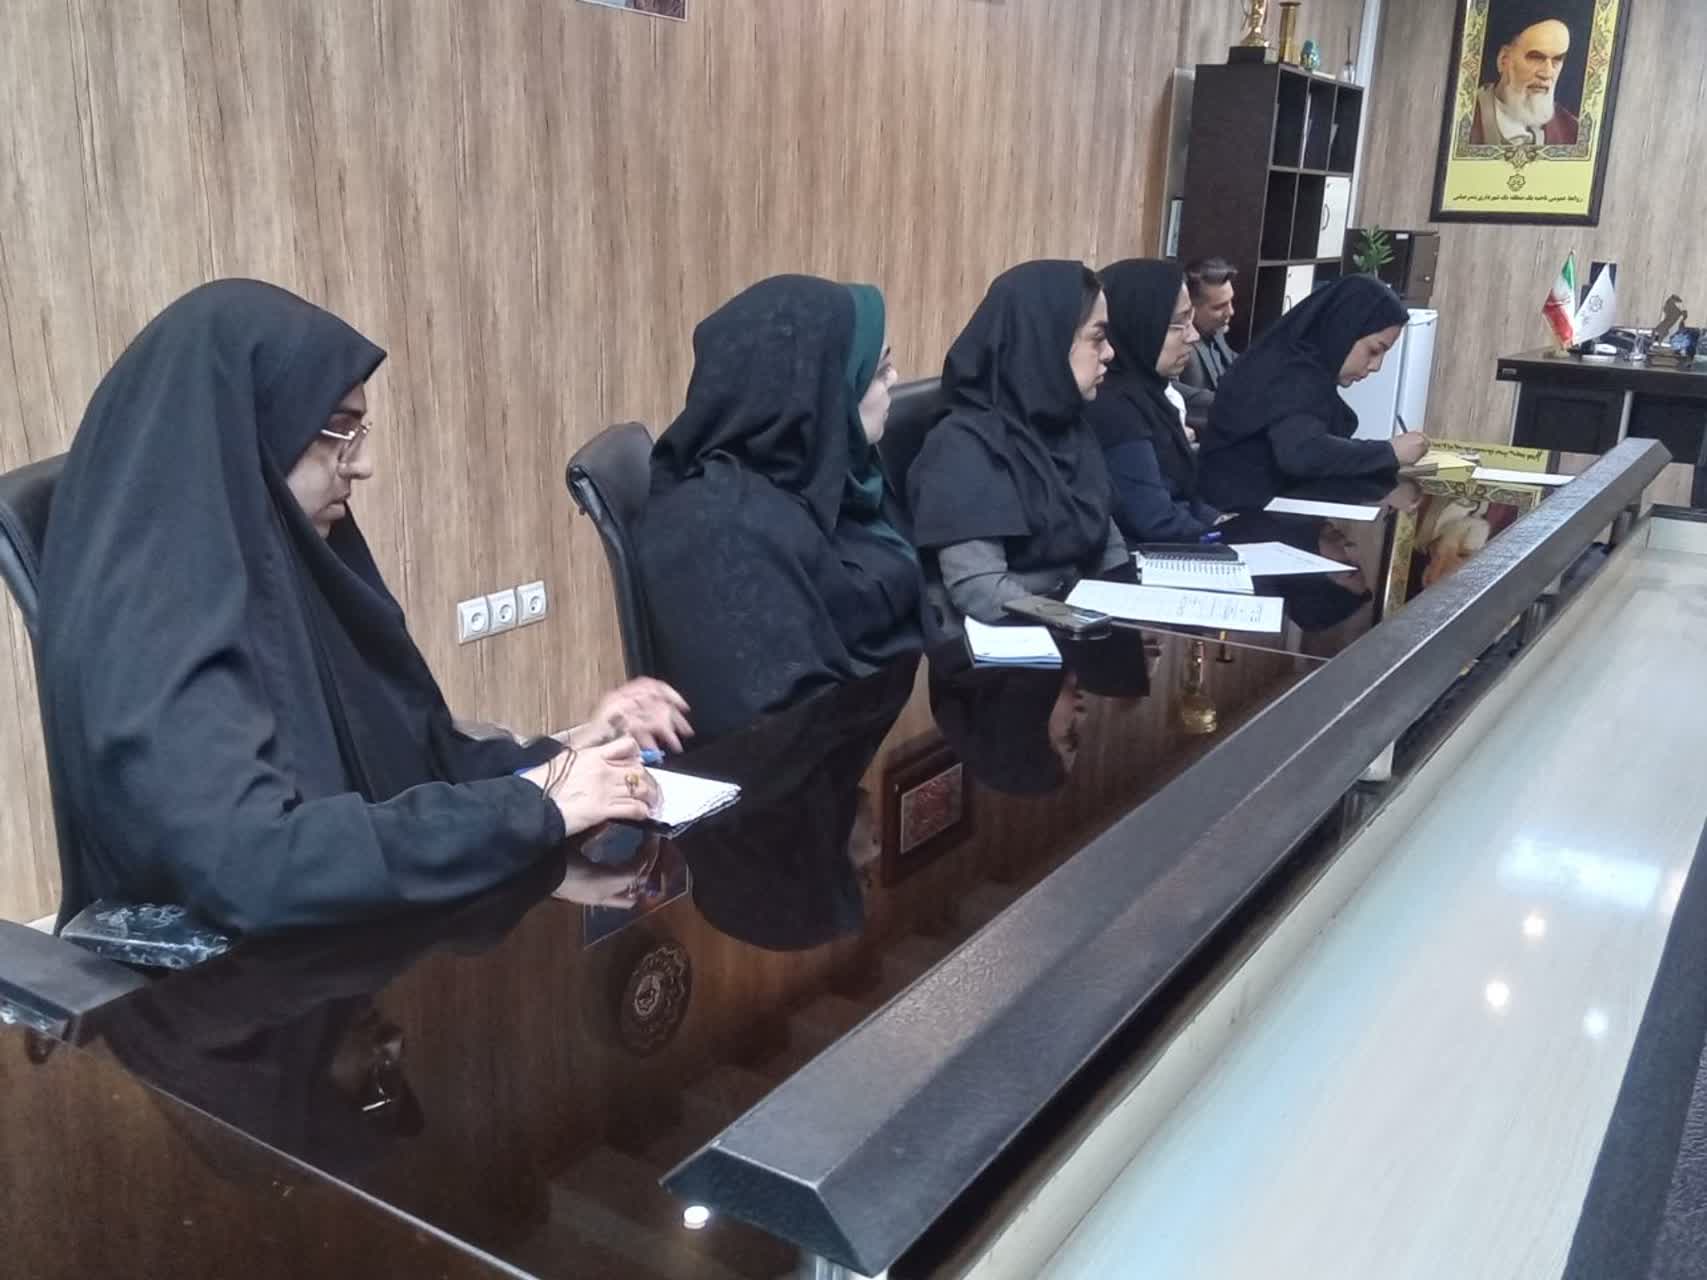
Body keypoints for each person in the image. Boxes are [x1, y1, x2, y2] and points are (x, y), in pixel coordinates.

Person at [38, 280, 689, 935]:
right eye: (339, 431)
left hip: (340, 941)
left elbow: (406, 758)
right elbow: (254, 864)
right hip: (228, 977)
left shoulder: (281, 559)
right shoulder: (157, 606)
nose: (363, 463)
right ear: (250, 428)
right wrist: (531, 806)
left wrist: (566, 756)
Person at [636, 275, 924, 738]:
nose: (894, 380)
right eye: (877, 370)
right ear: (820, 390)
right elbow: (783, 722)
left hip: (883, 727)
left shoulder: (825, 477)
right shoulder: (717, 527)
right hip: (799, 762)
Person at [907, 260, 1128, 626]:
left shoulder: (1067, 426)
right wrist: (1087, 623)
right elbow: (981, 591)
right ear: (1047, 341)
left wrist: (1132, 620)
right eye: (1097, 337)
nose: (1109, 353)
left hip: (1077, 629)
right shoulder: (962, 445)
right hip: (1017, 642)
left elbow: (1109, 545)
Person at [1197, 276, 1430, 513]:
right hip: (1230, 517)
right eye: (1373, 351)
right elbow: (1303, 453)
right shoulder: (1289, 374)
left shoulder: (1304, 370)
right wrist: (1389, 452)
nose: (1376, 366)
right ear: (1344, 329)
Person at [1085, 259, 1221, 545]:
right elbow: (1153, 519)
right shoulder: (1112, 407)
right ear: (1139, 323)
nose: (1193, 335)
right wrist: (1226, 539)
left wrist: (1222, 522)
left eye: (1192, 319)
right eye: (1179, 323)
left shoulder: (1150, 393)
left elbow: (1186, 496)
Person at [1468, 9, 1578, 146]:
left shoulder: (1572, 130)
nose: (1548, 73)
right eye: (1536, 57)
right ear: (1504, 60)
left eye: (1557, 59)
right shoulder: (1464, 118)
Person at [1175, 258, 1240, 427]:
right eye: (1219, 307)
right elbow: (1170, 390)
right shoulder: (1175, 343)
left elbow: (1233, 360)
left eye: (1230, 302)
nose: (1231, 312)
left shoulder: (1214, 327)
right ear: (1189, 307)